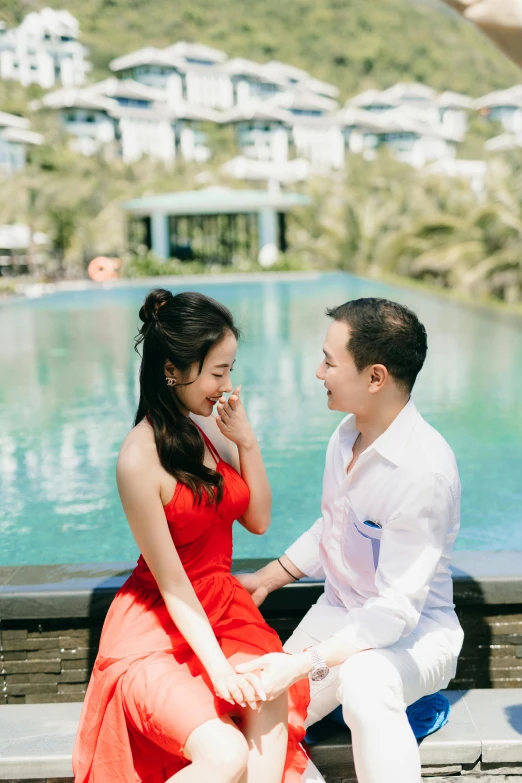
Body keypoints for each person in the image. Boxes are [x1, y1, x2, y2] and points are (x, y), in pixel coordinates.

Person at [73, 289, 309, 783]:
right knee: (226, 756)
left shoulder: (211, 427)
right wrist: (220, 669)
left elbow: (259, 520)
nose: (227, 385)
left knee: (267, 691)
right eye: (218, 372)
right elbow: (173, 583)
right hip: (158, 623)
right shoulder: (138, 458)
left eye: (229, 369)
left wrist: (246, 440)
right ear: (173, 370)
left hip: (224, 609)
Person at [237, 298, 464, 783]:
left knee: (365, 679)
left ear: (375, 377)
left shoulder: (422, 473)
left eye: (329, 361)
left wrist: (304, 663)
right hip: (339, 614)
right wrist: (266, 579)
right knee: (259, 711)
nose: (319, 372)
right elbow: (335, 525)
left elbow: (394, 613)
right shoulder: (345, 435)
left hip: (416, 634)